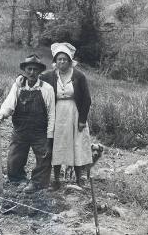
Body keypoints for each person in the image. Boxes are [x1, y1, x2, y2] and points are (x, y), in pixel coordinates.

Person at [0, 54, 55, 193]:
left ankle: (37, 183)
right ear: (25, 70)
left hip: (40, 131)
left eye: (35, 69)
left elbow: (52, 114)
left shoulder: (47, 89)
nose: (32, 72)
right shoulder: (18, 86)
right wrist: (1, 115)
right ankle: (17, 180)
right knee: (14, 158)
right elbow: (9, 105)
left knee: (45, 156)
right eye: (29, 69)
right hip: (20, 130)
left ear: (40, 71)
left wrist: (50, 137)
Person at [41, 42, 92, 189]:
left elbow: (86, 99)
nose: (62, 62)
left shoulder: (79, 76)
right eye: (59, 59)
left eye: (65, 59)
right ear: (55, 62)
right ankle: (56, 180)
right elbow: (37, 85)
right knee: (57, 144)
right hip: (57, 113)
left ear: (70, 61)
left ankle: (79, 178)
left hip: (74, 113)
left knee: (76, 144)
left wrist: (82, 119)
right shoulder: (49, 76)